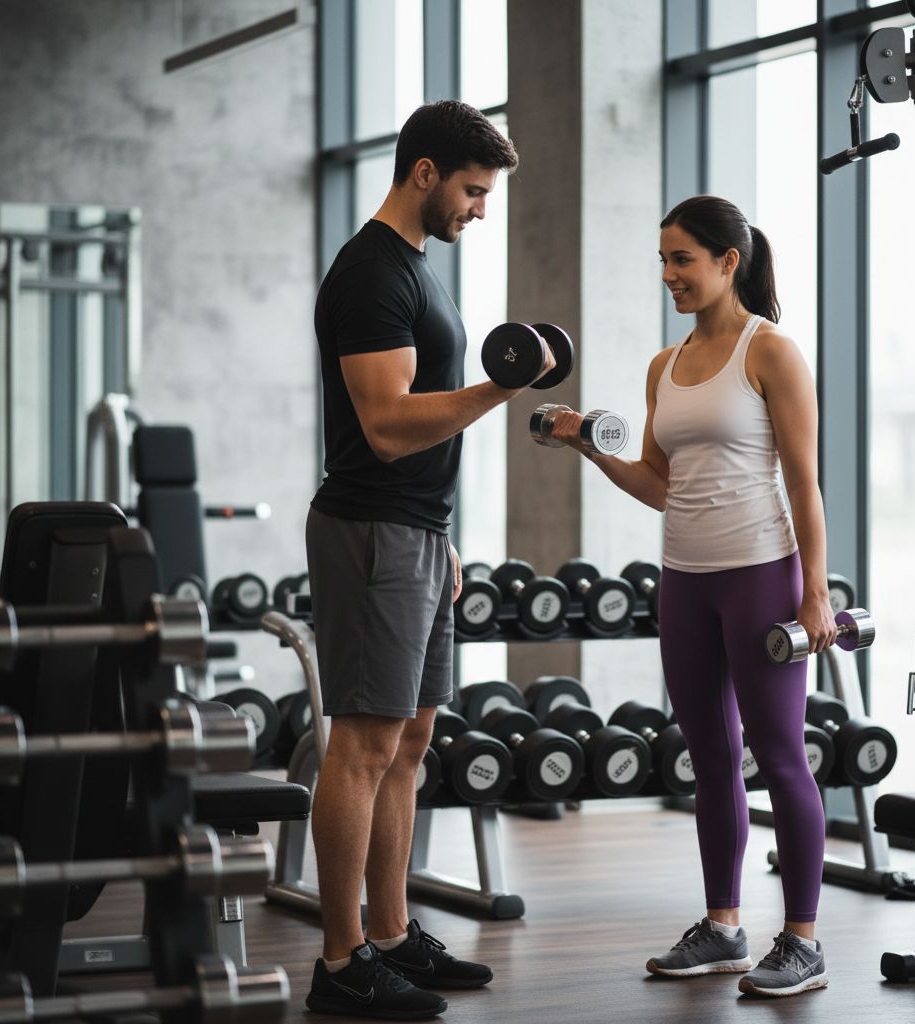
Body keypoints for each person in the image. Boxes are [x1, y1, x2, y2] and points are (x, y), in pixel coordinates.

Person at [549, 194, 834, 999]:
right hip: (684, 578)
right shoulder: (661, 367)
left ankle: (803, 940)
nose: (670, 275)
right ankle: (722, 927)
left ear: (727, 262)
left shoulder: (769, 351)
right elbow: (658, 484)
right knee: (708, 758)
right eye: (663, 261)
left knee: (779, 755)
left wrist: (814, 593)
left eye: (683, 259)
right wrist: (588, 446)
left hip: (759, 575)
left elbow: (806, 482)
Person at [303, 100, 550, 1020]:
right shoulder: (371, 274)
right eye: (474, 192)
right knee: (363, 746)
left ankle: (395, 933)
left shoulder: (414, 270)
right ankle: (339, 960)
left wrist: (442, 538)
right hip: (370, 527)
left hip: (412, 534)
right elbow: (389, 426)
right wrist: (500, 388)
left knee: (408, 743)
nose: (479, 210)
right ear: (424, 174)